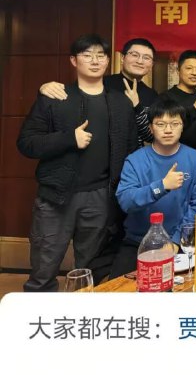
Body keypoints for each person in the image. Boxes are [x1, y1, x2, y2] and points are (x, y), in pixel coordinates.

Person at [17, 33, 137, 291]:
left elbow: (131, 150)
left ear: (108, 61)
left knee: (89, 272)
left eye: (101, 55)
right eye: (87, 55)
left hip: (101, 198)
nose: (95, 60)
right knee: (43, 270)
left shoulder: (120, 102)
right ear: (74, 60)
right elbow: (26, 143)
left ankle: (80, 314)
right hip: (56, 196)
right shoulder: (56, 96)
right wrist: (68, 138)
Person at [112, 96, 196, 277]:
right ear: (150, 128)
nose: (168, 130)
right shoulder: (135, 160)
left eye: (175, 124)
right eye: (161, 124)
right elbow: (125, 201)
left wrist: (175, 241)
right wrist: (162, 186)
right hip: (138, 241)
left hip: (178, 241)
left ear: (183, 126)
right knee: (119, 288)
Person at [38, 37, 158, 146]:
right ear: (122, 58)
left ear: (152, 64)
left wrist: (137, 106)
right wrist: (45, 88)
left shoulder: (152, 95)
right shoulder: (101, 83)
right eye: (135, 55)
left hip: (130, 157)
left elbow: (151, 136)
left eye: (146, 58)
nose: (140, 61)